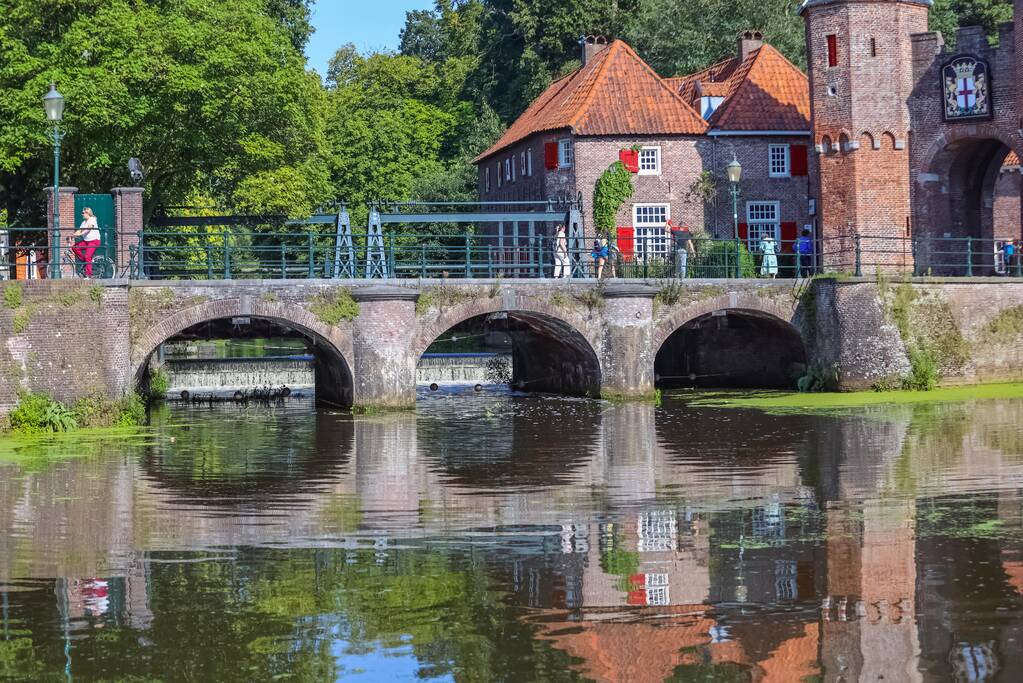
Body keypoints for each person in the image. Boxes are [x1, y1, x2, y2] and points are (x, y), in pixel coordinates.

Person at [72, 207, 101, 278]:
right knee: (75, 247)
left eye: (83, 213)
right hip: (86, 241)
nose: (82, 214)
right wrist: (72, 236)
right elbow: (79, 230)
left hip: (94, 241)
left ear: (87, 213)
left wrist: (80, 234)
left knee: (87, 256)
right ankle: (85, 261)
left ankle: (89, 275)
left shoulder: (92, 219)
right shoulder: (84, 222)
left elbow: (89, 228)